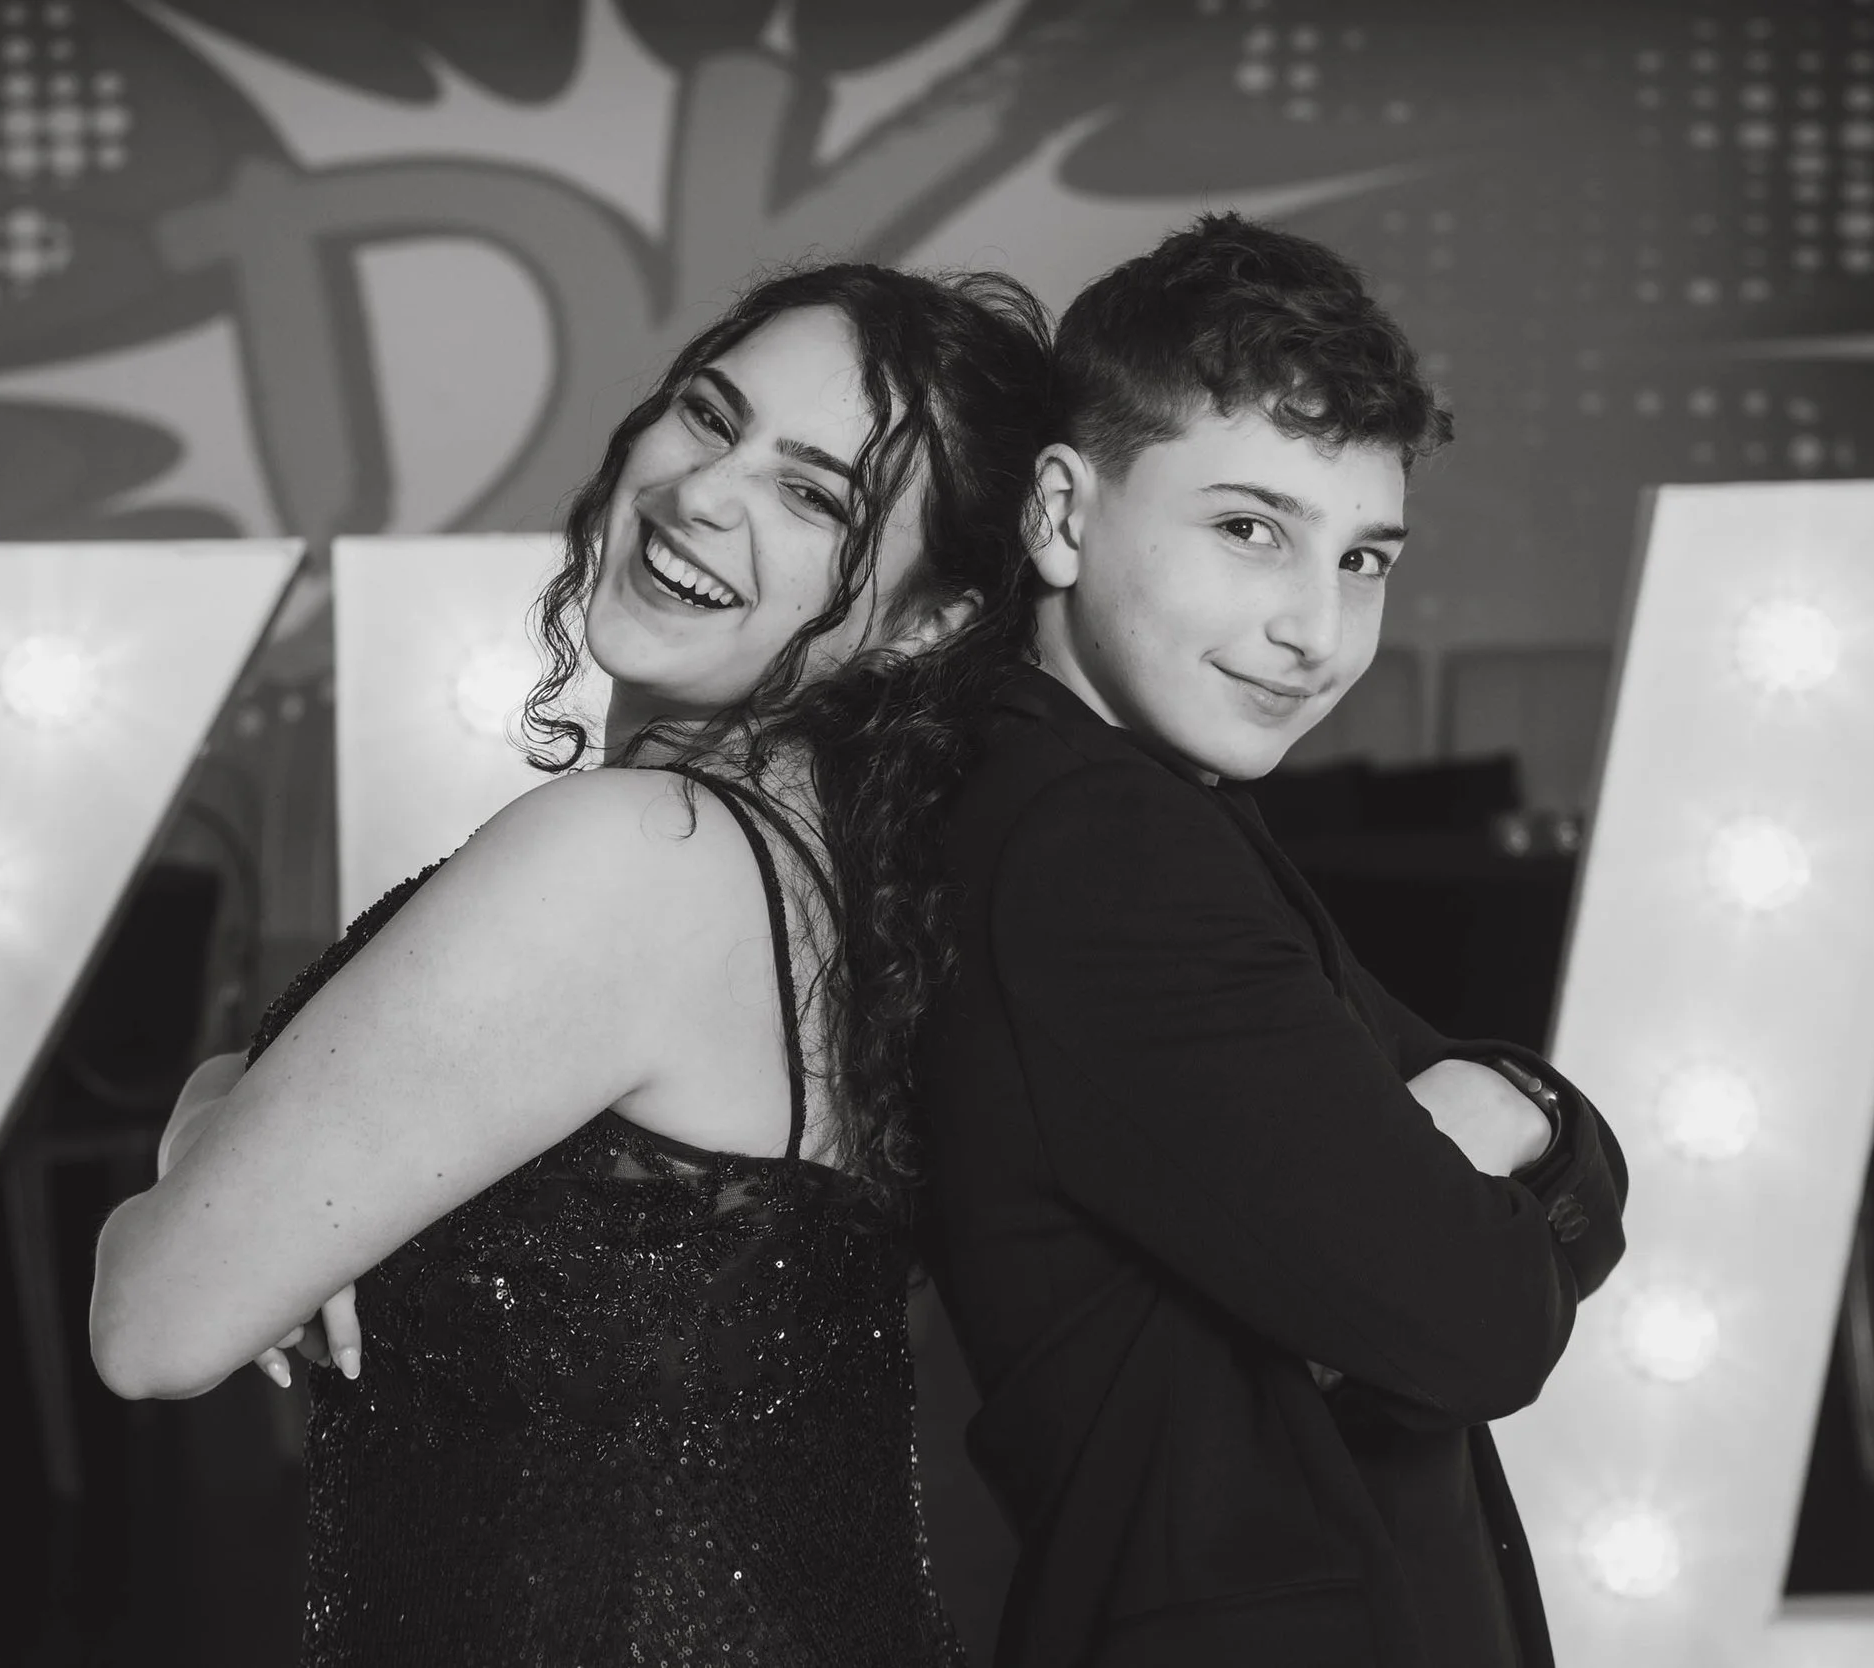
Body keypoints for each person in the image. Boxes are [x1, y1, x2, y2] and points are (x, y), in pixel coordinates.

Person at [89, 261, 1052, 1666]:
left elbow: (153, 1324)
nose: (704, 490)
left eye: (813, 495)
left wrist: (210, 1135)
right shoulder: (839, 881)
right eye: (709, 415)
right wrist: (232, 1119)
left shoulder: (635, 854)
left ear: (926, 621)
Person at [914, 213, 1629, 1667]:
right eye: (1250, 530)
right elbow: (1478, 1324)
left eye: (1364, 558)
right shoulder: (1099, 844)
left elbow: (1517, 1198)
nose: (1319, 629)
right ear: (1059, 515)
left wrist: (1523, 1113)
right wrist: (1518, 1120)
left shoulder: (1130, 803)